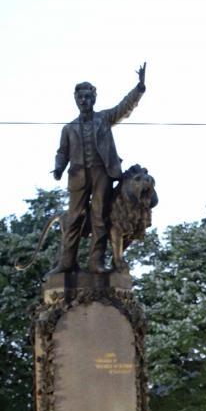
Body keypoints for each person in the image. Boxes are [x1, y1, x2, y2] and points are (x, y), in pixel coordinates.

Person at [51, 64, 147, 274]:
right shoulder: (69, 128)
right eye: (80, 97)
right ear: (75, 99)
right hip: (78, 177)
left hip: (102, 174)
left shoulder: (103, 118)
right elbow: (62, 152)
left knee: (99, 217)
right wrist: (58, 168)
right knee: (74, 218)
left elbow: (124, 108)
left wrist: (139, 88)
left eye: (87, 97)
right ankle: (66, 263)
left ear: (93, 98)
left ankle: (96, 262)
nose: (83, 101)